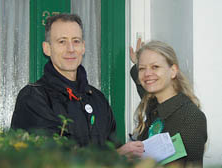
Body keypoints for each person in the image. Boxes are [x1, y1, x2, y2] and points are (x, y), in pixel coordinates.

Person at [11, 13, 117, 147]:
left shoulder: (98, 99)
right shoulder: (33, 97)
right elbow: (53, 158)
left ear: (83, 47)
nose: (71, 49)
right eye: (62, 41)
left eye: (76, 41)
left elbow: (113, 149)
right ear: (47, 48)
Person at [127, 40, 207, 166]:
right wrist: (137, 65)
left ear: (173, 71)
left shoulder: (191, 117)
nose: (147, 73)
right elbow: (146, 87)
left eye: (155, 67)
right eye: (142, 68)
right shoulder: (154, 107)